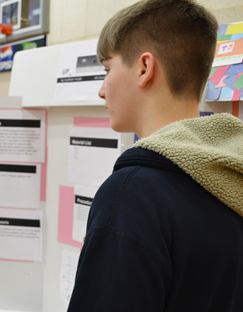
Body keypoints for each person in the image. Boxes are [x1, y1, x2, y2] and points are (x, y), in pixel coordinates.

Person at [68, 0, 243, 311]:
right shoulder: (232, 175)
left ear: (144, 68)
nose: (102, 90)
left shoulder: (132, 195)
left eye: (107, 69)